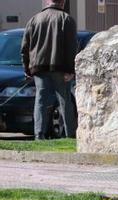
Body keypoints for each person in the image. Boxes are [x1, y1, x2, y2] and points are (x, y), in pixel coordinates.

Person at [20, 0, 77, 139]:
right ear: (62, 2)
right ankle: (69, 135)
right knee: (65, 101)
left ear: (47, 2)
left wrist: (27, 69)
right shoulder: (66, 19)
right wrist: (71, 70)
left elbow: (25, 48)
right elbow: (71, 47)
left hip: (39, 67)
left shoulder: (34, 20)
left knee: (40, 101)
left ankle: (39, 134)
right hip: (61, 67)